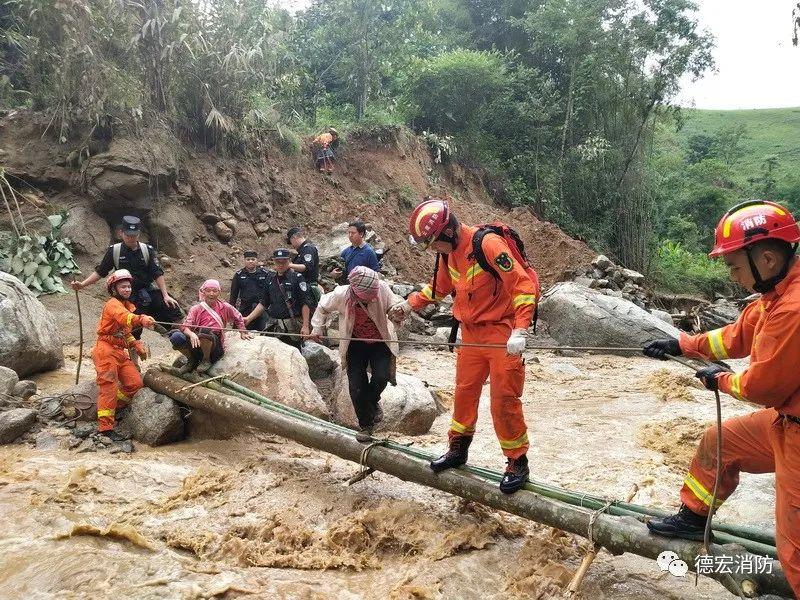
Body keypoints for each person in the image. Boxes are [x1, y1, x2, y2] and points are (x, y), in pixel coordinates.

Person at [643, 200, 800, 596]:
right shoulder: (775, 294)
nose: (732, 276)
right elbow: (734, 336)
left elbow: (763, 387)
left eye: (733, 267)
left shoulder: (793, 308)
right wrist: (681, 344)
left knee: (794, 550)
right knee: (722, 440)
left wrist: (722, 381)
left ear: (764, 258)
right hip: (787, 422)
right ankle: (694, 518)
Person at [389, 198, 540, 494]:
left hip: (501, 332)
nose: (432, 249)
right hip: (470, 335)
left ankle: (517, 461)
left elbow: (522, 284)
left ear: (448, 232)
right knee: (464, 394)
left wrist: (520, 329)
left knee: (503, 401)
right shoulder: (448, 254)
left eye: (433, 243)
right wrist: (409, 305)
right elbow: (441, 287)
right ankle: (458, 449)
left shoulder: (489, 244)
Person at [309, 266, 402, 437]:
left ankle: (373, 401)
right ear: (355, 290)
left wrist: (397, 312)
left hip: (380, 342)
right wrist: (317, 328)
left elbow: (393, 305)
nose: (371, 299)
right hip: (355, 344)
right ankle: (366, 426)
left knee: (382, 377)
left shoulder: (381, 288)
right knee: (356, 387)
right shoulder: (341, 294)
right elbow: (323, 306)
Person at [70, 215, 182, 336]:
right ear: (121, 233)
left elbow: (157, 273)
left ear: (138, 234)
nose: (131, 238)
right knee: (132, 326)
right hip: (127, 295)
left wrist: (165, 295)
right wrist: (82, 285)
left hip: (146, 291)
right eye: (128, 235)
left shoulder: (147, 250)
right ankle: (132, 350)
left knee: (171, 306)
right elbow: (101, 271)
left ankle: (184, 335)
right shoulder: (114, 251)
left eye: (134, 235)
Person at [92, 269, 156, 441]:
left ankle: (111, 408)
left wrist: (136, 344)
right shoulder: (113, 304)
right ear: (114, 289)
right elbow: (125, 319)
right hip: (105, 350)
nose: (127, 289)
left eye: (128, 286)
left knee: (136, 384)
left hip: (119, 351)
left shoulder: (127, 306)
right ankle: (105, 428)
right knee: (109, 387)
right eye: (123, 287)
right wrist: (141, 318)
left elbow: (125, 332)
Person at [169, 279, 251, 373]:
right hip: (197, 344)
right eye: (208, 291)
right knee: (175, 336)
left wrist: (242, 331)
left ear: (219, 292)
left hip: (214, 346)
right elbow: (185, 327)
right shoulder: (196, 309)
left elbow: (238, 317)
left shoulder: (225, 307)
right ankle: (191, 360)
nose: (211, 294)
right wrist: (191, 334)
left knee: (205, 331)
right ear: (203, 292)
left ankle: (206, 360)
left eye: (214, 291)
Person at [247, 249, 313, 349]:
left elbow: (305, 303)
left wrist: (305, 326)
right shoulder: (270, 278)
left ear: (289, 261)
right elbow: (263, 303)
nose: (280, 264)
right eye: (278, 262)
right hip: (273, 326)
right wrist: (248, 318)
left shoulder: (297, 278)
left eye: (284, 262)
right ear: (274, 261)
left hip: (291, 328)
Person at [230, 250, 271, 331]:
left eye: (253, 259)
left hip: (261, 308)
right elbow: (233, 295)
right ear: (244, 261)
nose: (251, 261)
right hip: (245, 307)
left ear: (257, 260)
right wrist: (232, 311)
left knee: (265, 332)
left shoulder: (265, 273)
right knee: (238, 332)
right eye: (248, 259)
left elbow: (270, 292)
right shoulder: (239, 275)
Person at [287, 226, 322, 304]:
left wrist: (289, 265)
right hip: (303, 286)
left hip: (308, 286)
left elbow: (307, 267)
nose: (292, 245)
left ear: (294, 237)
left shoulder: (308, 249)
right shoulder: (302, 250)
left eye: (291, 242)